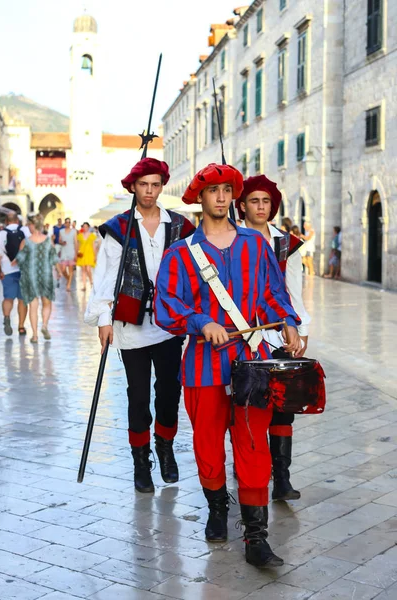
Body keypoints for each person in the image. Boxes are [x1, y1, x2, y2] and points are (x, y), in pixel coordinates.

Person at [154, 163, 301, 568]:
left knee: (254, 447)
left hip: (251, 363)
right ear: (199, 198)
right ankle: (218, 506)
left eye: (226, 190)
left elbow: (273, 292)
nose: (220, 197)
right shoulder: (180, 252)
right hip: (203, 366)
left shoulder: (255, 244)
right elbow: (167, 306)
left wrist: (287, 319)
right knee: (207, 448)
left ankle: (256, 537)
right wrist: (201, 322)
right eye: (212, 190)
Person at [85, 158, 195, 494]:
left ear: (162, 187)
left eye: (155, 185)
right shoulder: (119, 228)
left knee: (168, 391)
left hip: (167, 323)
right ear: (133, 186)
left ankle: (165, 445)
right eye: (143, 184)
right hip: (129, 324)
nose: (149, 191)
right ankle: (140, 461)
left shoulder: (179, 226)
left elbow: (193, 273)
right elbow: (105, 278)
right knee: (137, 395)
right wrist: (104, 320)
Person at [236, 175, 311, 501]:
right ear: (243, 205)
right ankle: (248, 468)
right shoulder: (231, 239)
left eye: (266, 201)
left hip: (280, 332)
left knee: (284, 405)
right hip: (242, 332)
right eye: (254, 201)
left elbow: (294, 289)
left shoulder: (286, 243)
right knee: (247, 404)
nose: (261, 207)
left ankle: (281, 477)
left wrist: (301, 328)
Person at [15, 214, 61, 343]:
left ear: (32, 225)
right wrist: (59, 271)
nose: (28, 227)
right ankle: (45, 325)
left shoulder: (26, 241)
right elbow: (54, 259)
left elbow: (20, 260)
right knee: (47, 303)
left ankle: (35, 335)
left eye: (28, 224)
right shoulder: (48, 240)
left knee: (33, 306)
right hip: (46, 276)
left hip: (31, 277)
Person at [0, 211, 29, 336]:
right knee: (23, 299)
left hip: (7, 270)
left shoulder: (1, 234)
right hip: (24, 270)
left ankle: (6, 317)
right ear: (17, 220)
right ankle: (21, 326)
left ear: (6, 221)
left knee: (8, 298)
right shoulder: (25, 230)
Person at [77, 222, 98, 291]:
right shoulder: (80, 235)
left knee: (88, 269)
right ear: (82, 227)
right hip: (82, 254)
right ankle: (84, 286)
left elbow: (94, 246)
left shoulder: (92, 235)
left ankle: (91, 281)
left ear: (88, 227)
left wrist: (95, 256)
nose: (85, 228)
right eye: (84, 226)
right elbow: (78, 245)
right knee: (83, 270)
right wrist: (77, 253)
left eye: (86, 227)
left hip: (90, 254)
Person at [59, 218, 78, 291]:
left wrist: (76, 253)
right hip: (64, 252)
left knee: (70, 269)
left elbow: (76, 242)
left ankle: (69, 285)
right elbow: (60, 240)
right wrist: (62, 242)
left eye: (69, 222)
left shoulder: (74, 231)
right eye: (66, 222)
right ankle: (68, 279)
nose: (67, 223)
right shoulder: (61, 231)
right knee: (63, 269)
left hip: (71, 251)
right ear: (64, 223)